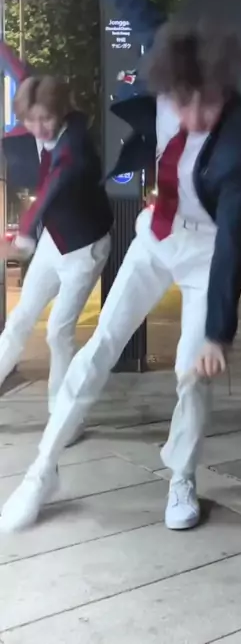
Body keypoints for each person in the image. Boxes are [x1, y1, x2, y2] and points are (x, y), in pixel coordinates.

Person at [0, 0, 241, 533]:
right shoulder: (166, 50)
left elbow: (235, 241)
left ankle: (182, 477)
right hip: (156, 234)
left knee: (194, 374)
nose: (194, 115)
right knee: (97, 349)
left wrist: (218, 330)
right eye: (184, 101)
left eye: (209, 102)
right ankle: (42, 469)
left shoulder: (239, 147)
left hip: (207, 251)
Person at [0, 62, 112, 444]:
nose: (39, 128)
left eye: (46, 119)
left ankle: (65, 416)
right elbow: (23, 73)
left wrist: (24, 234)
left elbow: (55, 183)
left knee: (58, 332)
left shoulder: (75, 145)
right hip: (55, 238)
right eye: (31, 121)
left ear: (61, 111)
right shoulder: (35, 122)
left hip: (85, 246)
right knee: (19, 320)